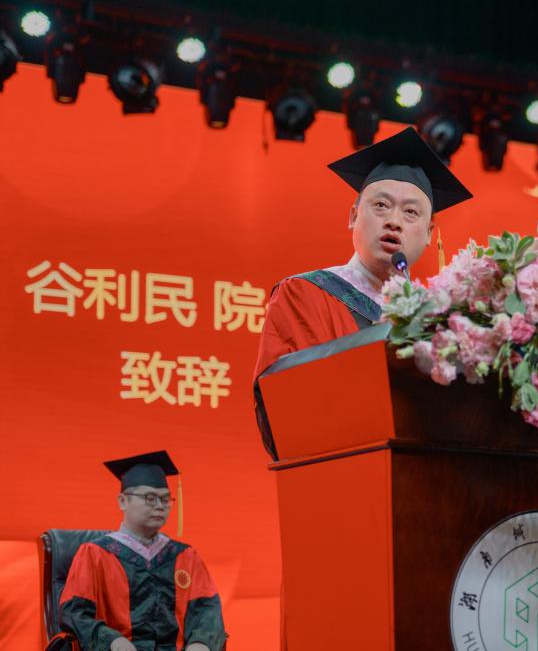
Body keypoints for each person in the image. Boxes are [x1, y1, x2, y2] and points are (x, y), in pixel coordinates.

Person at [253, 126, 473, 458]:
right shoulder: (306, 293)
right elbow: (290, 403)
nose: (394, 221)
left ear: (429, 233)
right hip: (341, 466)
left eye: (411, 212)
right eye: (381, 205)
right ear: (353, 216)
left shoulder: (442, 318)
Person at [59, 451, 226, 651]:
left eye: (165, 499)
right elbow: (73, 614)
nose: (160, 506)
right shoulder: (95, 554)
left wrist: (201, 643)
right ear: (123, 501)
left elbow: (207, 610)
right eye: (150, 498)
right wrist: (112, 641)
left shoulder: (186, 556)